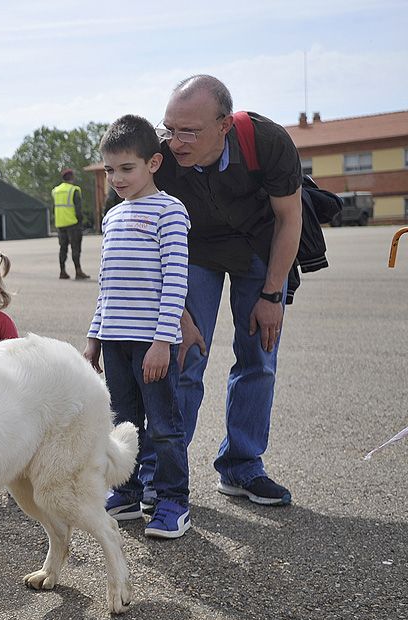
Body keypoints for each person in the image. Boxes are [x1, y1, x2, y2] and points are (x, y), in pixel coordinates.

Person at [154, 75, 300, 506]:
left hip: (257, 243)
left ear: (224, 126)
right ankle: (167, 471)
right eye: (169, 128)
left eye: (189, 132)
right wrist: (174, 311)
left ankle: (242, 466)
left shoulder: (268, 141)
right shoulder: (159, 157)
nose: (175, 142)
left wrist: (272, 296)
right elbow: (144, 235)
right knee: (184, 354)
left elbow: (290, 220)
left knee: (258, 355)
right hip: (194, 250)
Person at [83, 114, 192, 539]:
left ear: (154, 164)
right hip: (114, 340)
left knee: (164, 426)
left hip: (152, 342)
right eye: (110, 170)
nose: (117, 178)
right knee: (123, 422)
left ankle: (172, 501)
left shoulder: (170, 212)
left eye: (127, 168)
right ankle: (127, 493)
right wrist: (94, 337)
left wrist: (163, 341)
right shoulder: (112, 217)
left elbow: (176, 282)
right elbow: (106, 285)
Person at [52, 168, 90, 280]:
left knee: (63, 248)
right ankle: (78, 271)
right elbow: (78, 209)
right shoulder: (74, 190)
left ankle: (62, 271)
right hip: (73, 223)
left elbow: (54, 208)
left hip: (60, 224)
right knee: (76, 248)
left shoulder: (56, 190)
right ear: (72, 177)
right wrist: (80, 220)